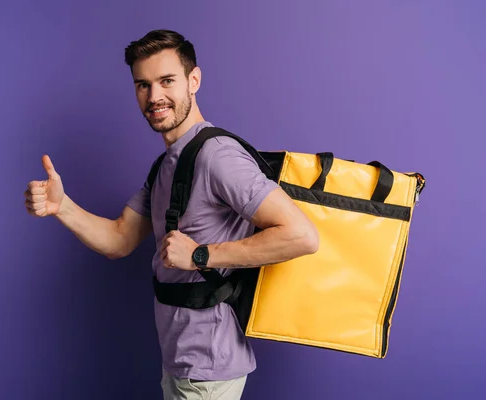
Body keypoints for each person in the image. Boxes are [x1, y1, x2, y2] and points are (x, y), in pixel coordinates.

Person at [24, 29, 319, 400]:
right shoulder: (166, 165)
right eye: (143, 85)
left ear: (193, 80)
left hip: (208, 368)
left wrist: (200, 255)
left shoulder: (217, 156)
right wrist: (61, 206)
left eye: (167, 81)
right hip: (181, 361)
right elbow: (119, 240)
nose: (154, 96)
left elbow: (301, 235)